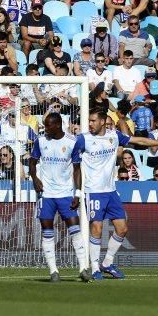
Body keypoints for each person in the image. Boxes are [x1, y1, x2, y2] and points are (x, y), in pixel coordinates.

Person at [73, 110, 158, 280]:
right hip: (94, 191)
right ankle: (94, 268)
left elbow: (140, 140)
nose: (90, 124)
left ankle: (106, 263)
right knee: (97, 229)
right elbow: (74, 163)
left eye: (93, 121)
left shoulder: (114, 135)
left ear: (102, 122)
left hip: (111, 191)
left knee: (122, 229)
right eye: (89, 121)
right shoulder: (83, 139)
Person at [29, 112, 90, 283]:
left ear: (57, 125)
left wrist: (77, 193)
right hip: (46, 195)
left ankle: (83, 268)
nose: (45, 128)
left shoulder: (72, 142)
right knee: (47, 232)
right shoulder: (40, 141)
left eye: (48, 125)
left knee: (75, 230)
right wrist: (35, 178)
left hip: (65, 194)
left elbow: (77, 169)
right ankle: (53, 271)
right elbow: (32, 163)